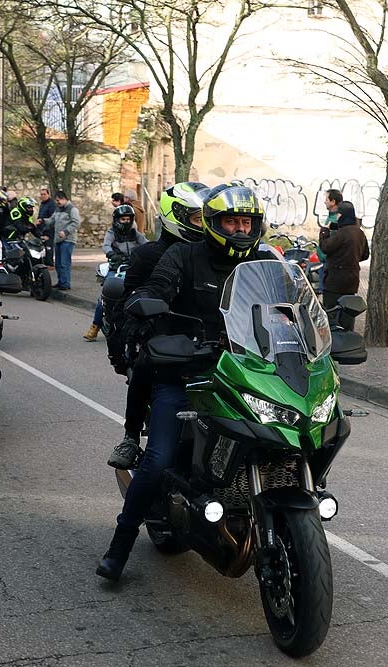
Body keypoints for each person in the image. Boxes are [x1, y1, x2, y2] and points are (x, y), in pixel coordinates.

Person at [96, 183, 277, 582]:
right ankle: (120, 543)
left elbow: (290, 305)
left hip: (245, 371)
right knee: (159, 457)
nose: (240, 229)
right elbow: (155, 288)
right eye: (231, 221)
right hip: (186, 370)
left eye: (247, 222)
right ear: (214, 224)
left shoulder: (264, 262)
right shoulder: (182, 255)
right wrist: (146, 309)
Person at [105, 181, 209, 470]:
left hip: (208, 338)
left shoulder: (212, 256)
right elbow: (128, 300)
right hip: (162, 338)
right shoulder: (147, 255)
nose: (205, 225)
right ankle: (130, 436)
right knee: (144, 367)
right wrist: (135, 331)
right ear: (175, 216)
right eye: (198, 218)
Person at [84, 204, 148, 342]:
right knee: (105, 297)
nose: (125, 222)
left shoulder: (134, 232)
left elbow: (146, 243)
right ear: (116, 220)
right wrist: (112, 254)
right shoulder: (111, 232)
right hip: (116, 267)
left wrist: (152, 250)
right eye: (123, 219)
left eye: (128, 219)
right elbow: (106, 245)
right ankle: (95, 326)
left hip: (132, 266)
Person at [319, 200, 368, 309]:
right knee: (348, 313)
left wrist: (324, 231)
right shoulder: (360, 233)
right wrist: (350, 258)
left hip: (335, 283)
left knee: (331, 313)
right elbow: (365, 255)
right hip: (351, 281)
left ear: (340, 215)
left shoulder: (342, 233)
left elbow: (325, 247)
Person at [50, 190, 80, 290]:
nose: (57, 202)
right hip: (58, 240)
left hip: (68, 240)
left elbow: (76, 223)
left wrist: (66, 232)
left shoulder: (72, 209)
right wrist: (43, 221)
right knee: (58, 263)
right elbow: (52, 220)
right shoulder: (58, 209)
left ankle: (65, 283)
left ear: (63, 199)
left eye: (58, 200)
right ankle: (60, 281)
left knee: (64, 262)